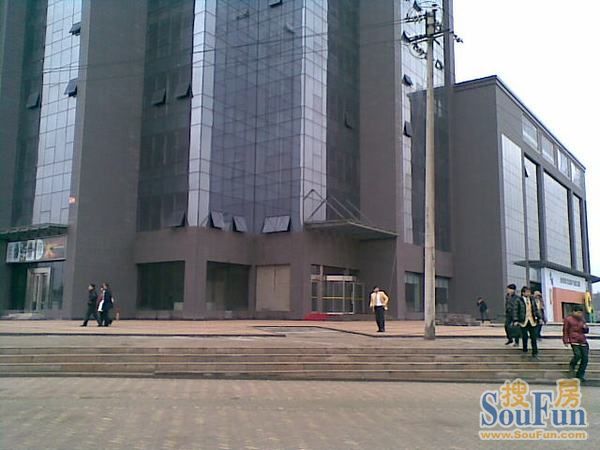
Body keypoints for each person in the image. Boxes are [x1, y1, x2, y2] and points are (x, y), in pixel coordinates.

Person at [512, 286, 542, 358]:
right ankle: (525, 350)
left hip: (532, 321)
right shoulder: (518, 300)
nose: (529, 293)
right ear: (523, 293)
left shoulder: (532, 300)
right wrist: (516, 320)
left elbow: (535, 310)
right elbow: (515, 310)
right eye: (527, 292)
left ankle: (535, 352)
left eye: (529, 292)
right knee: (524, 337)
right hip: (523, 321)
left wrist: (539, 318)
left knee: (533, 337)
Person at [562, 306, 590, 382]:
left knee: (585, 358)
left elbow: (586, 331)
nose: (579, 314)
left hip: (582, 340)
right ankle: (572, 364)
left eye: (581, 312)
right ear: (573, 312)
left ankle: (580, 375)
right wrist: (565, 340)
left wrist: (585, 328)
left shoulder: (582, 319)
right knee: (577, 355)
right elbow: (565, 330)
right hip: (574, 339)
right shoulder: (568, 319)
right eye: (578, 312)